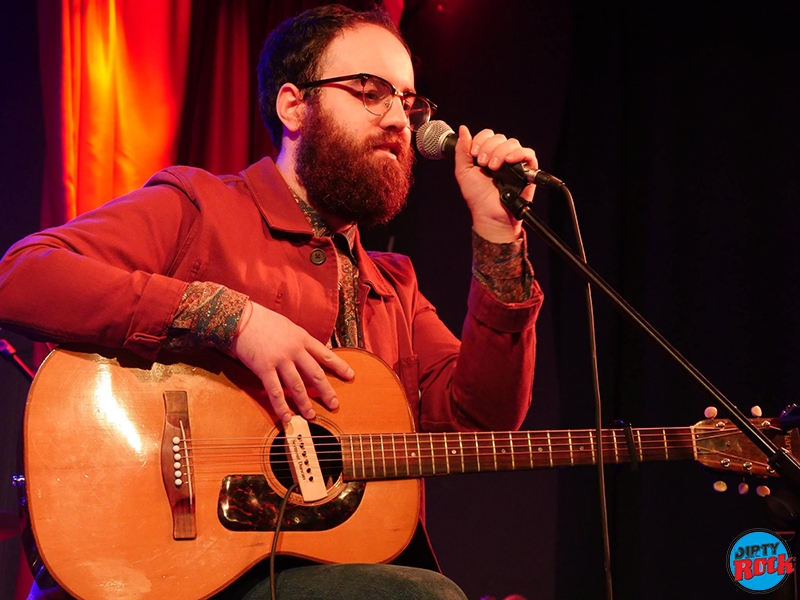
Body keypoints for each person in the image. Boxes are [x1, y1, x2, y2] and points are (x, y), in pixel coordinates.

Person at [0, 4, 543, 599]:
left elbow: (483, 418)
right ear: (293, 106)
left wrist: (497, 235)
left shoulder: (393, 286)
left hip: (313, 566)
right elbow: (21, 275)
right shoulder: (201, 207)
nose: (397, 119)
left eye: (409, 102)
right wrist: (229, 318)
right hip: (179, 568)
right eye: (369, 91)